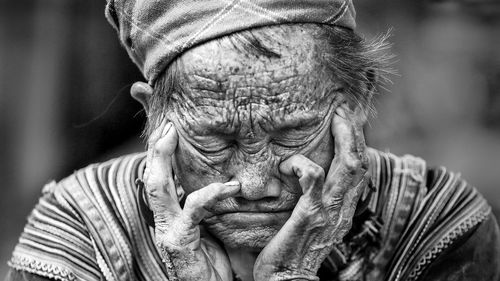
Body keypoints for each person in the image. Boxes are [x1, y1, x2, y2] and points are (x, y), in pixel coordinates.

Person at [5, 1, 500, 280]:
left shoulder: (434, 220)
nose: (255, 183)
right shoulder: (82, 225)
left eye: (291, 133)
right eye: (215, 140)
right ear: (154, 115)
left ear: (358, 100)